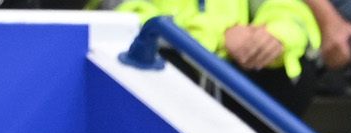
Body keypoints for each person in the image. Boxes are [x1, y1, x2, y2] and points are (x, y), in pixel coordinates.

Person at [105, 0, 324, 112]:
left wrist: (274, 34)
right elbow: (123, 14)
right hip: (150, 62)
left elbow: (287, 6)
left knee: (291, 68)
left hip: (230, 66)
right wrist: (220, 37)